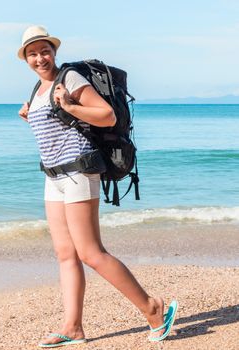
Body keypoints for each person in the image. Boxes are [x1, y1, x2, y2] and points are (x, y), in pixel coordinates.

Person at [17, 25, 178, 347]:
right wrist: (29, 114)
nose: (40, 58)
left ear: (54, 52)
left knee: (91, 253)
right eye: (32, 54)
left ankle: (153, 308)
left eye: (44, 51)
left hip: (79, 171)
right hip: (53, 176)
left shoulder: (70, 79)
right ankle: (73, 327)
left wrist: (70, 107)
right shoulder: (38, 88)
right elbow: (53, 125)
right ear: (25, 58)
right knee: (65, 254)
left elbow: (106, 116)